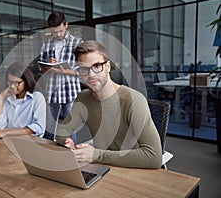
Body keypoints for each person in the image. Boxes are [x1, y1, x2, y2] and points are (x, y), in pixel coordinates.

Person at [55, 40, 162, 169]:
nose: (91, 74)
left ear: (108, 67)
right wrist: (68, 142)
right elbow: (63, 130)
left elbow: (154, 157)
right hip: (104, 167)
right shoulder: (83, 98)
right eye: (84, 69)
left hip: (133, 169)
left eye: (97, 66)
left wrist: (97, 155)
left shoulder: (133, 100)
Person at [39, 11, 82, 141]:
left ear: (66, 25)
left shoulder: (77, 43)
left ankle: (72, 152)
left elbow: (83, 71)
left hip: (70, 91)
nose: (57, 34)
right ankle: (48, 152)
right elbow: (41, 70)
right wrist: (47, 66)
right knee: (49, 125)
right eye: (54, 32)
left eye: (60, 31)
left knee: (70, 126)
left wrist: (65, 72)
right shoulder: (46, 45)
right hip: (52, 91)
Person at [0, 62, 46, 141]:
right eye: (9, 82)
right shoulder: (8, 97)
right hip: (9, 140)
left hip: (29, 141)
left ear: (26, 81)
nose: (12, 86)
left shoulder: (36, 97)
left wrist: (6, 132)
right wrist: (1, 97)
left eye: (16, 83)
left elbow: (38, 128)